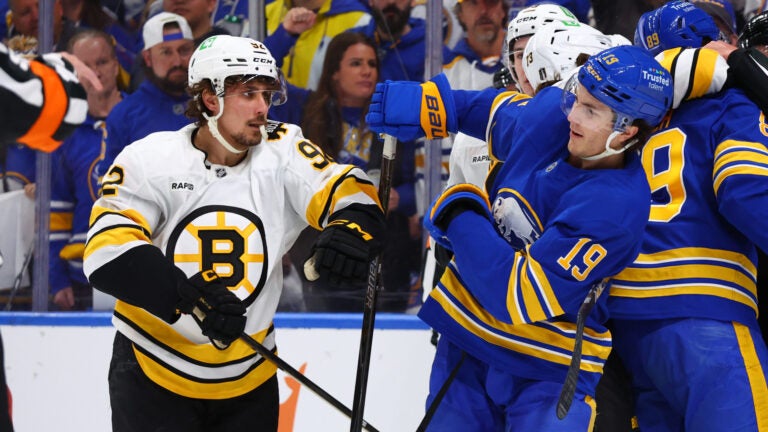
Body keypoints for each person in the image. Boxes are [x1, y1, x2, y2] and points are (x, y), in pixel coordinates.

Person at [83, 34, 385, 431]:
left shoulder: (283, 149)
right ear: (211, 99)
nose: (263, 108)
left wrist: (352, 226)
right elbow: (106, 254)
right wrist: (187, 296)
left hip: (249, 377)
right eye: (248, 94)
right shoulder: (149, 159)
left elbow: (350, 191)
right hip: (153, 370)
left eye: (267, 93)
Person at [367, 44, 673, 430]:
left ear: (627, 131)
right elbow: (492, 113)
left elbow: (516, 295)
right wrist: (431, 105)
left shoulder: (615, 208)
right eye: (576, 99)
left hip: (546, 368)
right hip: (467, 348)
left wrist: (460, 210)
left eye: (592, 110)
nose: (573, 116)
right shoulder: (554, 117)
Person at [48, 28, 124, 311]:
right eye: (86, 66)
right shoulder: (63, 133)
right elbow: (56, 212)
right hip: (81, 274)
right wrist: (56, 280)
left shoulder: (138, 118)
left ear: (116, 65)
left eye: (102, 62)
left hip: (139, 268)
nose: (96, 72)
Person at [102, 11, 194, 170]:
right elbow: (110, 183)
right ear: (147, 58)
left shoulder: (214, 104)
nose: (177, 61)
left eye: (184, 50)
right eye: (166, 52)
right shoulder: (125, 115)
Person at [265, 0, 372, 90]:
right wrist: (283, 34)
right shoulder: (263, 14)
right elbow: (252, 72)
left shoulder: (359, 20)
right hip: (267, 112)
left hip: (328, 113)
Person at [349, 0, 441, 82]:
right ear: (371, 1)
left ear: (413, 1)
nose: (391, 1)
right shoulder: (349, 43)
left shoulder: (433, 48)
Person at [442, 0, 508, 90]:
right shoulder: (445, 71)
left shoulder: (524, 58)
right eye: (473, 2)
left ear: (503, 9)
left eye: (491, 2)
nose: (483, 11)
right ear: (460, 14)